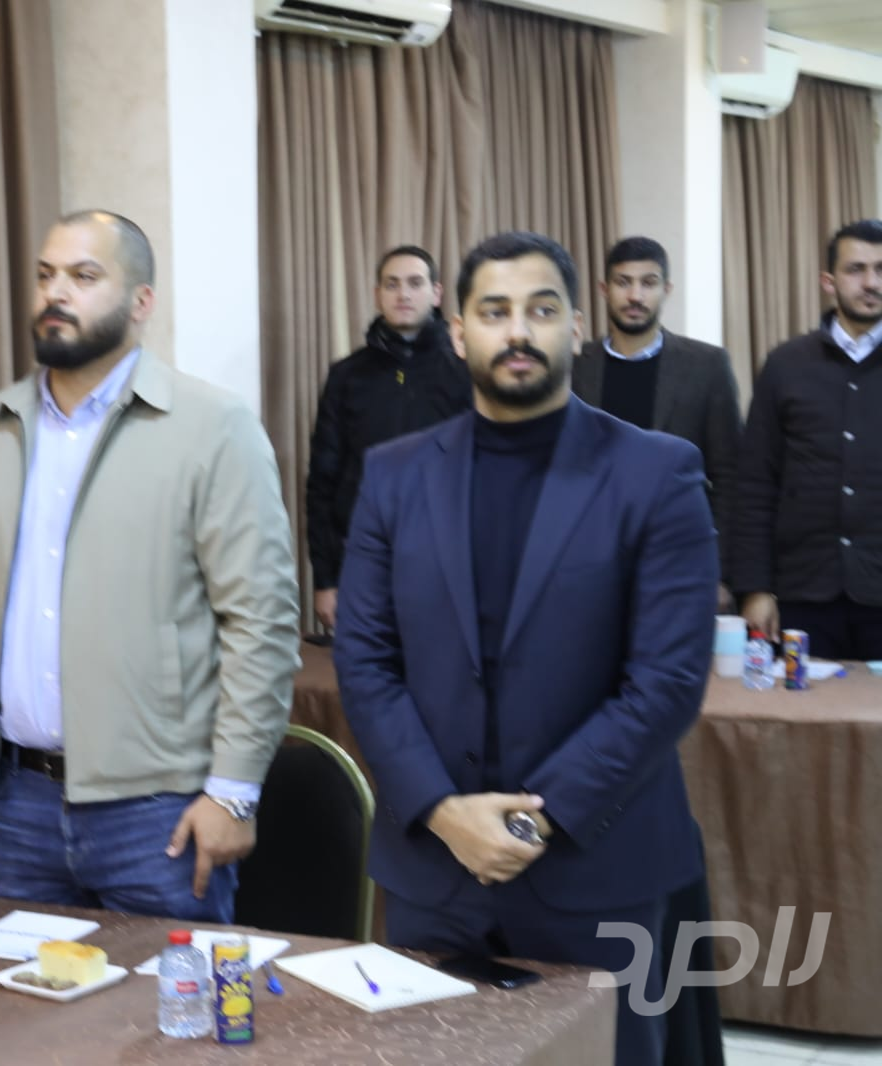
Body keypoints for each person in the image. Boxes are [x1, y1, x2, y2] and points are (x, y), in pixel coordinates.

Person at [335, 231, 717, 1066]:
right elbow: (364, 663)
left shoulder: (657, 473)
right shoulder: (395, 476)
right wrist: (445, 812)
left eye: (542, 311)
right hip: (434, 867)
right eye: (495, 311)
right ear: (459, 331)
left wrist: (524, 821)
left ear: (576, 327)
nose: (519, 331)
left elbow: (668, 680)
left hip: (597, 864)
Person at [0, 209, 299, 922]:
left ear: (141, 302)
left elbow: (261, 621)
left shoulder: (211, 426)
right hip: (18, 803)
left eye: (83, 276)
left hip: (159, 810)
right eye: (45, 275)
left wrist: (233, 792)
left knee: (166, 997)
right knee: (23, 997)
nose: (55, 293)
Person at [735, 218, 882, 660]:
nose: (871, 282)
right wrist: (755, 588)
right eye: (856, 269)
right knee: (802, 706)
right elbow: (755, 483)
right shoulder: (785, 365)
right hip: (802, 594)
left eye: (880, 269)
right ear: (828, 281)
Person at [305, 245, 471, 630]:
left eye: (415, 283)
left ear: (436, 293)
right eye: (392, 284)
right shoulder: (347, 376)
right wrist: (325, 580)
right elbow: (322, 483)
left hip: (448, 566)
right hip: (364, 563)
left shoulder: (466, 372)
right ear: (377, 294)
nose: (403, 294)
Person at [572, 236, 741, 611]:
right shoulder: (574, 366)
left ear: (666, 290)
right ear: (604, 289)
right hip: (589, 562)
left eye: (648, 283)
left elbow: (731, 477)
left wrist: (719, 571)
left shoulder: (707, 367)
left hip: (678, 559)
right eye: (623, 282)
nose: (635, 296)